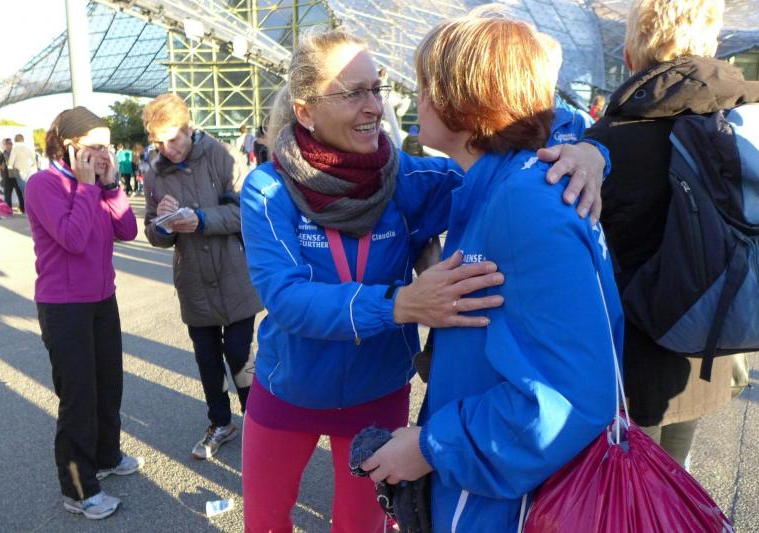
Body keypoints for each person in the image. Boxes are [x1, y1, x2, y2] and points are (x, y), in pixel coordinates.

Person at [239, 27, 609, 532]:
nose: (375, 107)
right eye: (353, 93)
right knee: (263, 522)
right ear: (305, 111)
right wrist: (400, 305)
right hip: (289, 390)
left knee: (360, 528)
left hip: (375, 394)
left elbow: (508, 139)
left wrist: (590, 150)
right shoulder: (269, 187)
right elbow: (285, 297)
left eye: (377, 89)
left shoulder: (409, 179)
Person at [361, 13, 622, 532]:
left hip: (507, 503)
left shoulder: (522, 202)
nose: (418, 99)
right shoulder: (513, 182)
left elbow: (571, 397)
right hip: (500, 485)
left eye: (426, 86)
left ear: (462, 100)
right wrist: (596, 150)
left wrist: (430, 447)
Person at [586, 0, 759, 467]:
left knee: (629, 485)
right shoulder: (738, 123)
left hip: (630, 364)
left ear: (630, 55)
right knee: (676, 476)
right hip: (711, 342)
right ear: (714, 44)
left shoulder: (605, 142)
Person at [25, 106, 142, 520]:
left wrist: (109, 186)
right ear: (70, 147)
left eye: (108, 146)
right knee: (78, 397)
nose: (105, 154)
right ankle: (78, 489)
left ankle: (106, 455)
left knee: (109, 385)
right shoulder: (43, 184)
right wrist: (88, 186)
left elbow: (128, 230)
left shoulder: (98, 184)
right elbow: (73, 239)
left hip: (102, 298)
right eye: (96, 147)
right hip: (63, 306)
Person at [142, 94, 262, 460]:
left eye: (173, 138)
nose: (167, 149)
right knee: (207, 358)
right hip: (193, 278)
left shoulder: (222, 155)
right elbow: (153, 232)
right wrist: (163, 224)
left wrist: (202, 219)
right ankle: (220, 422)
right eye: (159, 142)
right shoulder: (154, 174)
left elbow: (248, 211)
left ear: (188, 126)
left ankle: (258, 421)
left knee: (239, 353)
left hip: (233, 272)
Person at [0, 138, 24, 214]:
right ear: (4, 145)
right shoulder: (1, 154)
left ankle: (23, 209)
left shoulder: (15, 153)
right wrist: (2, 170)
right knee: (7, 195)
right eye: (7, 144)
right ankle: (8, 210)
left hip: (16, 176)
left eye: (10, 144)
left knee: (20, 193)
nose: (8, 146)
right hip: (7, 177)